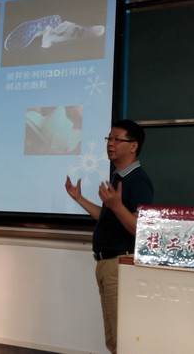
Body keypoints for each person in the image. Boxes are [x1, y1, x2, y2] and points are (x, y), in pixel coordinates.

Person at [65, 119, 153, 354]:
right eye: (109, 139)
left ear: (133, 146)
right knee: (114, 338)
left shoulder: (138, 181)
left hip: (121, 264)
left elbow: (140, 228)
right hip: (107, 264)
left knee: (123, 337)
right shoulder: (118, 177)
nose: (110, 144)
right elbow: (107, 218)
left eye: (117, 139)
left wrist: (117, 206)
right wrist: (79, 198)